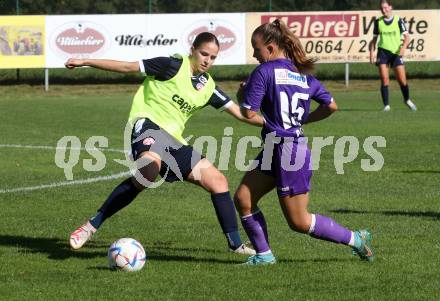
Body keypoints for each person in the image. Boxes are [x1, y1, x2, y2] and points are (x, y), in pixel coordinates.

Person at [65, 32, 264, 255]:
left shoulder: (207, 86)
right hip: (147, 125)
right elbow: (128, 67)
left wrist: (276, 124)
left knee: (218, 181)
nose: (207, 60)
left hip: (174, 140)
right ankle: (90, 227)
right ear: (193, 50)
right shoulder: (170, 65)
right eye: (204, 54)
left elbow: (241, 114)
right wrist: (85, 61)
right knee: (148, 171)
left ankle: (236, 245)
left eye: (213, 57)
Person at [234, 19, 374, 265]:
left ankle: (356, 239)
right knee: (244, 199)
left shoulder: (264, 72)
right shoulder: (302, 76)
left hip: (287, 151)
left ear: (270, 47)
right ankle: (264, 255)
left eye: (256, 48)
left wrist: (241, 94)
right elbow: (332, 106)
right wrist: (302, 121)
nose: (254, 54)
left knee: (299, 222)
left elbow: (248, 113)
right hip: (280, 148)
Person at [369, 0, 417, 112]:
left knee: (402, 81)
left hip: (396, 53)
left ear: (391, 7)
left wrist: (403, 48)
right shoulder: (378, 22)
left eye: (385, 7)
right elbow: (374, 40)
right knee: (385, 79)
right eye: (382, 8)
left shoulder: (398, 20)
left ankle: (407, 99)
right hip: (383, 53)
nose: (383, 10)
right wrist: (372, 52)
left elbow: (407, 38)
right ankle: (386, 106)